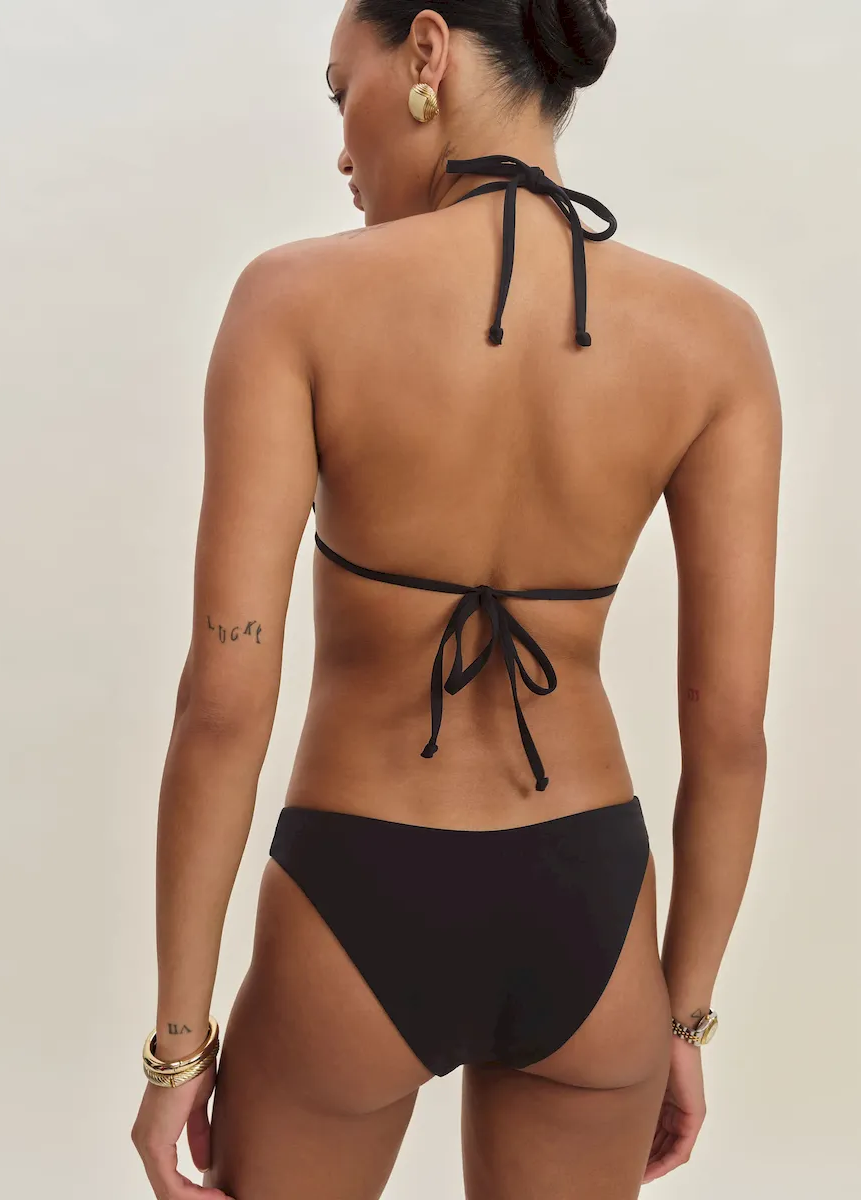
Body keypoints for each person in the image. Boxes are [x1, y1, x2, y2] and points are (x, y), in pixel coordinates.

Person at [130, 3, 781, 1197]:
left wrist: (179, 1044)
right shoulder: (716, 338)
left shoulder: (292, 300)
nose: (342, 147)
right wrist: (680, 1018)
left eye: (344, 92)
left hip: (354, 897)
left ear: (426, 54)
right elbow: (732, 732)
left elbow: (224, 702)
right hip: (592, 912)